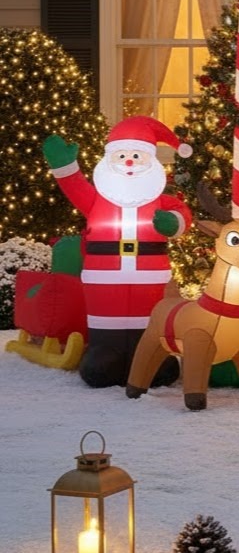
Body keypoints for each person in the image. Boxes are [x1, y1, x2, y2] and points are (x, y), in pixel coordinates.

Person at [43, 116, 193, 388]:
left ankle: (152, 358)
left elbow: (182, 214)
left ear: (150, 160)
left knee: (148, 319)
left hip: (148, 274)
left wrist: (174, 222)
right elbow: (75, 187)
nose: (129, 162)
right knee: (106, 319)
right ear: (109, 159)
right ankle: (104, 354)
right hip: (104, 275)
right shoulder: (96, 199)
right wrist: (64, 166)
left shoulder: (160, 200)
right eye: (122, 155)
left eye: (137, 155)